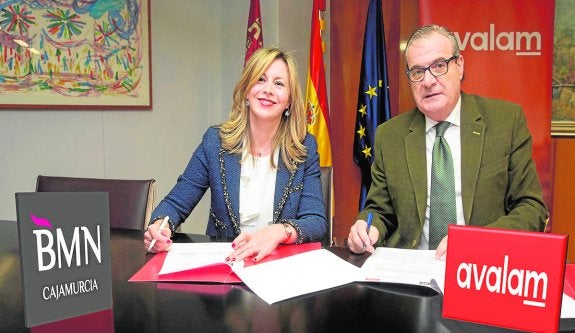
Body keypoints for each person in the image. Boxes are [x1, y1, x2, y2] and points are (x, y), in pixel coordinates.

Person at [347, 24, 548, 259]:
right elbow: (380, 210)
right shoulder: (390, 135)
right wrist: (367, 227)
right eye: (417, 72)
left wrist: (475, 242)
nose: (428, 81)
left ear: (459, 66)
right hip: (410, 274)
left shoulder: (505, 122)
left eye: (439, 65)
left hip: (482, 269)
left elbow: (531, 208)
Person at [144, 47, 327, 262]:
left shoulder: (304, 147)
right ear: (247, 91)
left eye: (279, 83)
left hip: (279, 265)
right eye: (260, 79)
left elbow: (315, 221)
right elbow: (176, 203)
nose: (268, 90)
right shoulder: (215, 141)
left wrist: (279, 231)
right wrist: (159, 227)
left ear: (289, 100)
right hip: (228, 265)